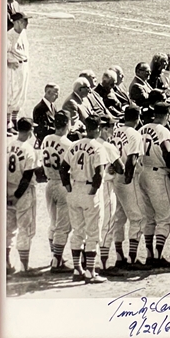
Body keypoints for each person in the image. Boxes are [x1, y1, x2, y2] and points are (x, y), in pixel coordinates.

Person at [60, 115, 108, 283]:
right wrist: (93, 191)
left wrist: (68, 187)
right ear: (98, 128)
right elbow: (99, 174)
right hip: (89, 191)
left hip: (74, 189)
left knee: (78, 232)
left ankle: (76, 269)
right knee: (93, 232)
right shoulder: (98, 146)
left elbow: (63, 169)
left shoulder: (74, 145)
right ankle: (90, 272)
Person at [138, 102, 170, 265]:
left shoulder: (143, 128)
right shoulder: (163, 130)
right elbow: (167, 150)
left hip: (142, 173)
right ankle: (157, 255)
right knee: (164, 217)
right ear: (167, 115)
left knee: (149, 218)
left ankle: (149, 254)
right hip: (158, 175)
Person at [110, 105, 145, 266]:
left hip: (114, 177)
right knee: (137, 217)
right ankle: (132, 257)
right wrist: (129, 178)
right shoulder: (134, 134)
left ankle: (119, 256)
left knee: (119, 218)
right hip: (126, 178)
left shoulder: (115, 131)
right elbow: (132, 159)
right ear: (137, 118)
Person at [6, 117, 41, 274]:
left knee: (8, 229)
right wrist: (17, 195)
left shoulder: (8, 145)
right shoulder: (29, 150)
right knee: (25, 229)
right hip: (23, 193)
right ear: (30, 131)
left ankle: (6, 263)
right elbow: (27, 177)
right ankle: (25, 267)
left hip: (6, 189)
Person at [40, 111, 73, 272]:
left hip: (49, 184)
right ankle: (57, 262)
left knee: (53, 223)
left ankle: (55, 256)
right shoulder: (68, 144)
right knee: (63, 225)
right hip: (62, 186)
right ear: (67, 123)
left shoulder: (46, 139)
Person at [95, 116, 124, 273]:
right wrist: (112, 167)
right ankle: (104, 265)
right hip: (105, 186)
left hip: (88, 188)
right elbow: (121, 169)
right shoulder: (107, 146)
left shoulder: (87, 143)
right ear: (104, 129)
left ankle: (88, 262)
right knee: (107, 224)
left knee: (91, 225)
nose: (114, 130)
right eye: (112, 127)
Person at [7, 11, 30, 135]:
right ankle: (7, 123)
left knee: (22, 95)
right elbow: (0, 52)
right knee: (12, 94)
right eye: (24, 21)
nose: (27, 23)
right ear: (16, 22)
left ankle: (14, 122)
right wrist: (8, 62)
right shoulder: (8, 35)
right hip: (14, 69)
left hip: (24, 66)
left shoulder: (23, 34)